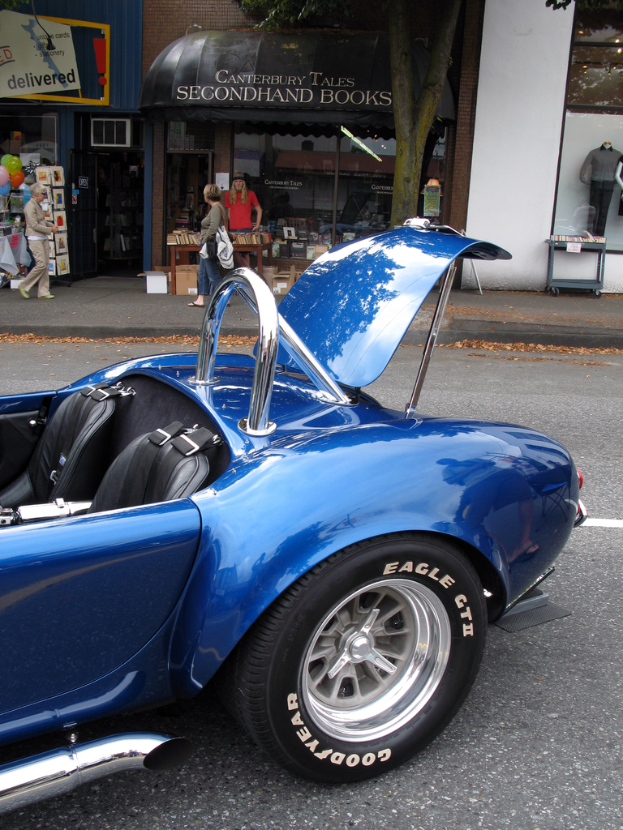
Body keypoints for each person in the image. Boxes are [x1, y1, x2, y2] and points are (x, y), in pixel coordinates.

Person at [189, 183, 227, 308]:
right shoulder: (217, 208)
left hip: (209, 243)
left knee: (212, 272)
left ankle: (223, 298)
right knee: (203, 272)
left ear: (208, 196)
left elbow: (213, 227)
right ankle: (200, 298)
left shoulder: (216, 209)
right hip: (208, 243)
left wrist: (204, 240)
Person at [19, 183, 58, 299]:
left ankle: (43, 292)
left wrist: (51, 225)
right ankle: (24, 285)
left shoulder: (37, 205)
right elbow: (34, 225)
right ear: (36, 194)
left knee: (45, 265)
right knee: (41, 264)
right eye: (43, 194)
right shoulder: (30, 206)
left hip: (42, 238)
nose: (44, 196)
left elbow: (41, 221)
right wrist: (50, 229)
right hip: (34, 238)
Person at [225, 172, 262, 268]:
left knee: (245, 253)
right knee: (234, 254)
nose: (238, 183)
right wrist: (233, 222)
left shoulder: (251, 194)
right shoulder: (228, 194)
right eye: (236, 181)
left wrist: (257, 225)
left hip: (246, 228)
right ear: (233, 183)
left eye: (240, 181)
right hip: (233, 229)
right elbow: (228, 211)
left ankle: (247, 273)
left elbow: (259, 210)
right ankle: (249, 271)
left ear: (243, 183)